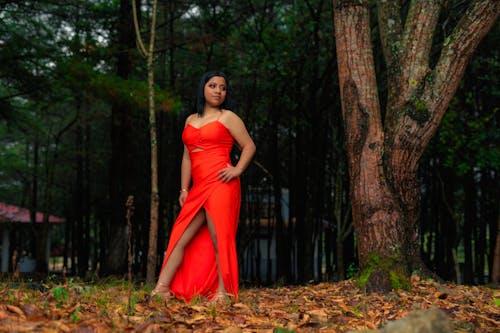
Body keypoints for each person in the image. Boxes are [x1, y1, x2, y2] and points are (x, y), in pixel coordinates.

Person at [151, 70, 256, 303]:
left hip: (222, 183)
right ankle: (162, 288)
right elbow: (187, 157)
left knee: (220, 238)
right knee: (181, 236)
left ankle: (223, 292)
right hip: (197, 188)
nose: (218, 90)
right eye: (213, 85)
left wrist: (237, 169)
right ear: (203, 88)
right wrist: (184, 189)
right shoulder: (190, 120)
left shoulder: (228, 117)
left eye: (223, 87)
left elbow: (249, 146)